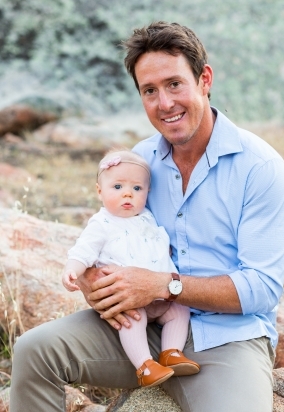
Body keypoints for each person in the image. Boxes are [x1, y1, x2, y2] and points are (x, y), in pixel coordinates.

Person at [10, 21, 284, 412]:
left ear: (204, 79)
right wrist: (95, 281)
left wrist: (164, 285)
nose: (164, 104)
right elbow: (110, 229)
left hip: (229, 338)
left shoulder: (260, 167)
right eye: (150, 91)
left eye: (175, 84)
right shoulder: (139, 161)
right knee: (34, 351)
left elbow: (262, 288)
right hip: (142, 330)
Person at [62, 149, 200, 387]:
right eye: (117, 187)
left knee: (179, 311)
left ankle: (171, 353)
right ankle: (145, 365)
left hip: (160, 295)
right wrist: (73, 269)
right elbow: (83, 251)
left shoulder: (147, 216)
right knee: (132, 320)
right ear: (99, 191)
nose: (128, 194)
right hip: (128, 298)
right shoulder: (102, 224)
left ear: (147, 192)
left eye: (137, 189)